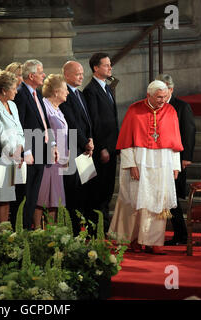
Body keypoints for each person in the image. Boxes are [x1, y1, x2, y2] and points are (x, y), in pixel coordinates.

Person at [108, 80, 183, 255]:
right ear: (148, 95)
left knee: (158, 202)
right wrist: (131, 164)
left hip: (162, 164)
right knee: (134, 201)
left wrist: (175, 166)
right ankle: (133, 239)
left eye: (165, 97)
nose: (162, 100)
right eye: (158, 97)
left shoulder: (170, 111)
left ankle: (153, 241)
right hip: (139, 162)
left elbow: (175, 143)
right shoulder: (134, 110)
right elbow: (126, 141)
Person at [13, 59, 59, 230]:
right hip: (30, 154)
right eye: (41, 72)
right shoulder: (21, 94)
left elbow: (44, 121)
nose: (44, 75)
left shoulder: (36, 93)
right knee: (26, 195)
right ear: (31, 75)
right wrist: (26, 151)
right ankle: (22, 229)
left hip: (42, 150)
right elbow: (21, 125)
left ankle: (27, 228)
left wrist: (52, 143)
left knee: (34, 195)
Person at [156, 74, 196, 246]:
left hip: (176, 159)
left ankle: (181, 234)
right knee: (167, 198)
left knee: (173, 198)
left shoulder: (181, 106)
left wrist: (186, 157)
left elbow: (189, 132)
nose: (161, 94)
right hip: (159, 159)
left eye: (164, 90)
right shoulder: (156, 105)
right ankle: (179, 234)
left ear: (171, 89)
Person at [83, 52, 119, 234]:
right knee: (99, 190)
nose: (110, 68)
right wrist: (103, 147)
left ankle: (104, 228)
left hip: (113, 147)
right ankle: (96, 229)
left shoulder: (107, 88)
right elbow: (95, 122)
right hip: (102, 150)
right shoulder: (91, 90)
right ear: (96, 68)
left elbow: (112, 118)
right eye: (106, 65)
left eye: (110, 64)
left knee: (108, 190)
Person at [59, 61, 94, 235]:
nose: (81, 76)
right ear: (66, 75)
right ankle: (74, 230)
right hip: (74, 149)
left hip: (86, 150)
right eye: (77, 74)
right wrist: (85, 142)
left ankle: (85, 229)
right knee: (74, 193)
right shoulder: (64, 95)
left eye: (82, 73)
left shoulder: (80, 94)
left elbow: (87, 121)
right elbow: (72, 123)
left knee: (86, 191)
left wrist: (91, 140)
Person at [0, 70, 25, 232]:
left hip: (13, 157)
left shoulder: (13, 105)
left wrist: (21, 149)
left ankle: (3, 234)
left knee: (8, 197)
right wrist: (13, 151)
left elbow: (19, 130)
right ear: (4, 90)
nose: (16, 91)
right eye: (14, 88)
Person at [35, 74, 69, 228]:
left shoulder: (58, 109)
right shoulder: (44, 106)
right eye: (65, 89)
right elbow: (43, 130)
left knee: (55, 199)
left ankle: (51, 232)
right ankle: (37, 230)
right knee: (42, 197)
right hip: (47, 158)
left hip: (59, 161)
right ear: (56, 91)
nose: (67, 92)